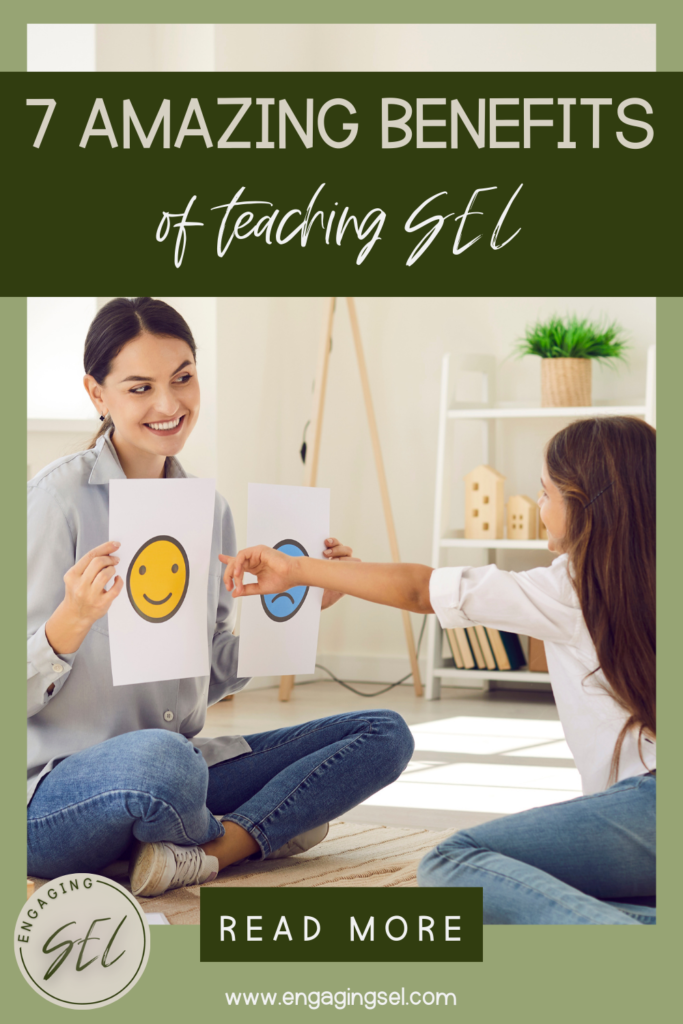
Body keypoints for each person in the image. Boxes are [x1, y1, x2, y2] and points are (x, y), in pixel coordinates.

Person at [27, 297, 414, 898]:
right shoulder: (56, 502)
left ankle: (213, 848)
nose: (168, 404)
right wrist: (69, 623)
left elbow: (209, 672)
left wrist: (304, 603)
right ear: (97, 394)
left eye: (183, 378)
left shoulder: (207, 511)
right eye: (139, 387)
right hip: (55, 794)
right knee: (164, 761)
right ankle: (268, 828)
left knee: (382, 733)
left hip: (181, 770)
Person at [222, 416, 656, 924]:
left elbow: (419, 590)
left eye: (544, 493)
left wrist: (295, 568)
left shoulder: (572, 587)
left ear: (581, 504)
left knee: (453, 862)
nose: (538, 506)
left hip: (650, 808)